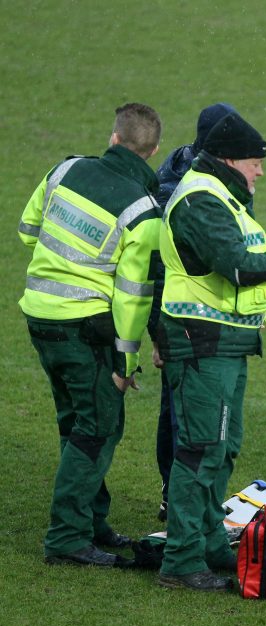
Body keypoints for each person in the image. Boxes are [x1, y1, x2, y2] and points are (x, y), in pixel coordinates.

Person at [155, 112, 266, 591]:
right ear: (230, 159)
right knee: (200, 449)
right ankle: (182, 560)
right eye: (255, 163)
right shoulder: (203, 200)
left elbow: (247, 265)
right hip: (201, 343)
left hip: (225, 343)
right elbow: (238, 266)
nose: (260, 172)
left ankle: (206, 542)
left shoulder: (223, 196)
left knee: (222, 447)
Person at [19, 103, 163, 567]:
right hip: (85, 331)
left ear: (114, 137)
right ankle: (66, 537)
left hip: (39, 317)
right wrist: (126, 362)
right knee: (99, 426)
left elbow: (27, 231)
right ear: (153, 151)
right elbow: (133, 295)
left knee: (76, 423)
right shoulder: (143, 211)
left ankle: (92, 523)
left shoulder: (65, 169)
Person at [150, 102, 237, 522]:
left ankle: (182, 498)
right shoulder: (185, 191)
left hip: (204, 318)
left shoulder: (199, 172)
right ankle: (179, 500)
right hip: (186, 320)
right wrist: (158, 334)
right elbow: (161, 266)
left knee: (182, 410)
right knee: (183, 413)